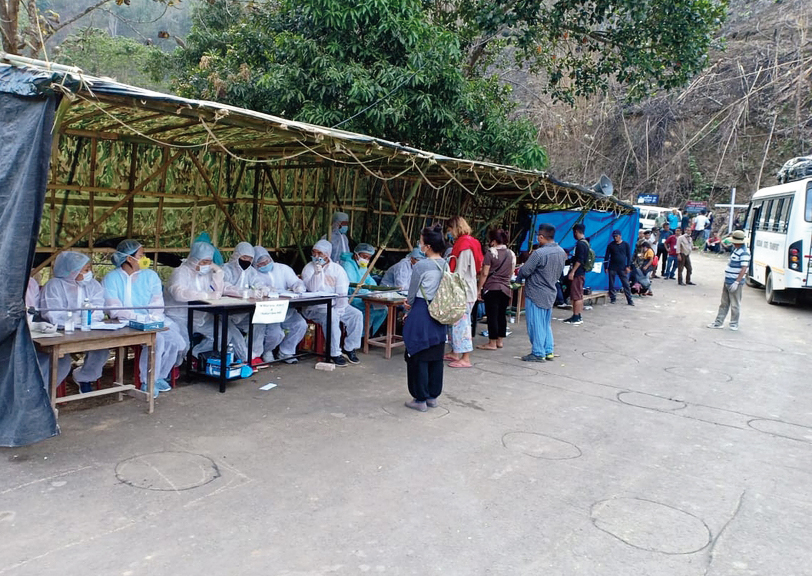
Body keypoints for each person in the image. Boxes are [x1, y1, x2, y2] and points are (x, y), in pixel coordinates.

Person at [102, 240, 187, 395]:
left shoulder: (150, 276)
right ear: (129, 258)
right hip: (124, 322)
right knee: (158, 340)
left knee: (175, 341)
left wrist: (153, 317)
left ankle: (160, 376)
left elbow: (157, 302)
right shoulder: (111, 278)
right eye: (141, 255)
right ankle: (147, 381)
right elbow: (114, 309)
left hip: (150, 320)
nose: (144, 258)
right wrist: (136, 317)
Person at [165, 241, 248, 362]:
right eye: (203, 262)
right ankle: (174, 367)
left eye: (209, 262)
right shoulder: (181, 272)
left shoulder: (207, 273)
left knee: (223, 335)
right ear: (193, 259)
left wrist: (218, 273)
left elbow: (219, 290)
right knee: (182, 344)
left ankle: (197, 357)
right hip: (179, 316)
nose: (206, 265)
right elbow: (178, 292)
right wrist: (204, 295)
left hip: (201, 317)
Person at [40, 251, 110, 393]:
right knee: (61, 361)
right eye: (85, 270)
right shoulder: (54, 286)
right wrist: (77, 319)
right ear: (72, 271)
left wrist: (87, 318)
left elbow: (98, 310)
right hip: (60, 332)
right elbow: (52, 315)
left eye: (89, 269)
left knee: (101, 349)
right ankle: (45, 393)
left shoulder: (93, 285)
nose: (89, 273)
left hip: (88, 330)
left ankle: (84, 378)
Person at [403, 225, 448, 412]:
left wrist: (407, 304)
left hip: (422, 311)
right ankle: (432, 396)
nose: (419, 245)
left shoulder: (421, 266)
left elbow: (412, 294)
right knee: (435, 354)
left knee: (417, 353)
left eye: (421, 242)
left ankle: (419, 398)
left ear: (427, 246)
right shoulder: (445, 263)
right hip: (440, 312)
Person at [301, 239, 363, 366]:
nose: (316, 256)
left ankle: (349, 347)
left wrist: (339, 309)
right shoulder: (308, 268)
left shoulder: (337, 269)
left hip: (337, 305)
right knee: (332, 317)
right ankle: (334, 352)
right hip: (316, 307)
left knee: (356, 315)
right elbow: (311, 288)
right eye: (314, 253)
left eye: (320, 253)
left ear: (327, 254)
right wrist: (317, 273)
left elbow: (342, 293)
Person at [515, 224, 566, 362]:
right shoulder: (561, 252)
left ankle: (538, 353)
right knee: (545, 324)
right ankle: (548, 350)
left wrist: (518, 280)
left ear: (541, 237)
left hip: (536, 292)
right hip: (551, 291)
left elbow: (525, 271)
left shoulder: (539, 253)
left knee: (535, 324)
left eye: (538, 236)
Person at [252, 246, 308, 364]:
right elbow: (255, 287)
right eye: (261, 264)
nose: (265, 264)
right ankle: (267, 351)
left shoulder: (282, 269)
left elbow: (294, 281)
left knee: (300, 324)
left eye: (267, 261)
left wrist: (298, 286)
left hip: (286, 309)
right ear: (255, 264)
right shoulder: (253, 274)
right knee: (275, 334)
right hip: (269, 312)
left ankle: (286, 351)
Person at [444, 216, 483, 368]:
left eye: (449, 230)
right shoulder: (470, 242)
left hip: (463, 290)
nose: (449, 233)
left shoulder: (464, 244)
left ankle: (465, 358)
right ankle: (455, 352)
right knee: (456, 323)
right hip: (465, 288)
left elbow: (460, 271)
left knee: (462, 324)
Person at [221, 241, 266, 364]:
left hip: (243, 313)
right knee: (231, 332)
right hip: (225, 313)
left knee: (259, 322)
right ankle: (245, 357)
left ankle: (255, 354)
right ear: (236, 255)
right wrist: (246, 293)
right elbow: (225, 287)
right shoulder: (225, 269)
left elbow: (258, 283)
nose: (247, 261)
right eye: (244, 257)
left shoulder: (251, 272)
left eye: (250, 259)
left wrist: (263, 290)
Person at [476, 229, 516, 349]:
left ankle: (492, 343)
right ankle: (500, 341)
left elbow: (484, 273)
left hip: (492, 288)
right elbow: (511, 272)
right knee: (501, 315)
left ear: (493, 241)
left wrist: (479, 289)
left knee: (492, 315)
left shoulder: (491, 253)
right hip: (505, 288)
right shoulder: (511, 254)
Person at [341, 243, 388, 336]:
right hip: (352, 297)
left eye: (368, 258)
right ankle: (361, 336)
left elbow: (369, 279)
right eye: (364, 257)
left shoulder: (363, 266)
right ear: (356, 255)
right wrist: (368, 293)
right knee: (370, 310)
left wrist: (375, 290)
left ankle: (369, 334)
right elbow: (352, 286)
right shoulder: (348, 265)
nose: (366, 260)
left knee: (384, 310)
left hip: (363, 296)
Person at [708, 230, 750, 331]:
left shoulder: (744, 252)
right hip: (728, 280)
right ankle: (719, 322)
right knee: (724, 303)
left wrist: (737, 281)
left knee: (735, 304)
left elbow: (744, 268)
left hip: (735, 281)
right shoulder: (736, 250)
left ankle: (734, 323)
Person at [563, 223, 589, 325]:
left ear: (576, 232)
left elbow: (580, 260)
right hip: (581, 272)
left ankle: (576, 316)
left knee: (576, 295)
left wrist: (572, 272)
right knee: (579, 295)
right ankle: (577, 314)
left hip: (578, 273)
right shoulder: (585, 242)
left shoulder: (580, 244)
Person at [604, 230, 635, 306]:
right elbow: (607, 256)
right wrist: (606, 267)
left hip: (622, 267)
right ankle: (613, 298)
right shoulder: (611, 245)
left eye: (616, 236)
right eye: (614, 236)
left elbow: (629, 256)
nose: (615, 238)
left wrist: (628, 266)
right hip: (612, 267)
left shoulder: (625, 245)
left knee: (626, 284)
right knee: (611, 283)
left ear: (620, 236)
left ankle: (629, 300)